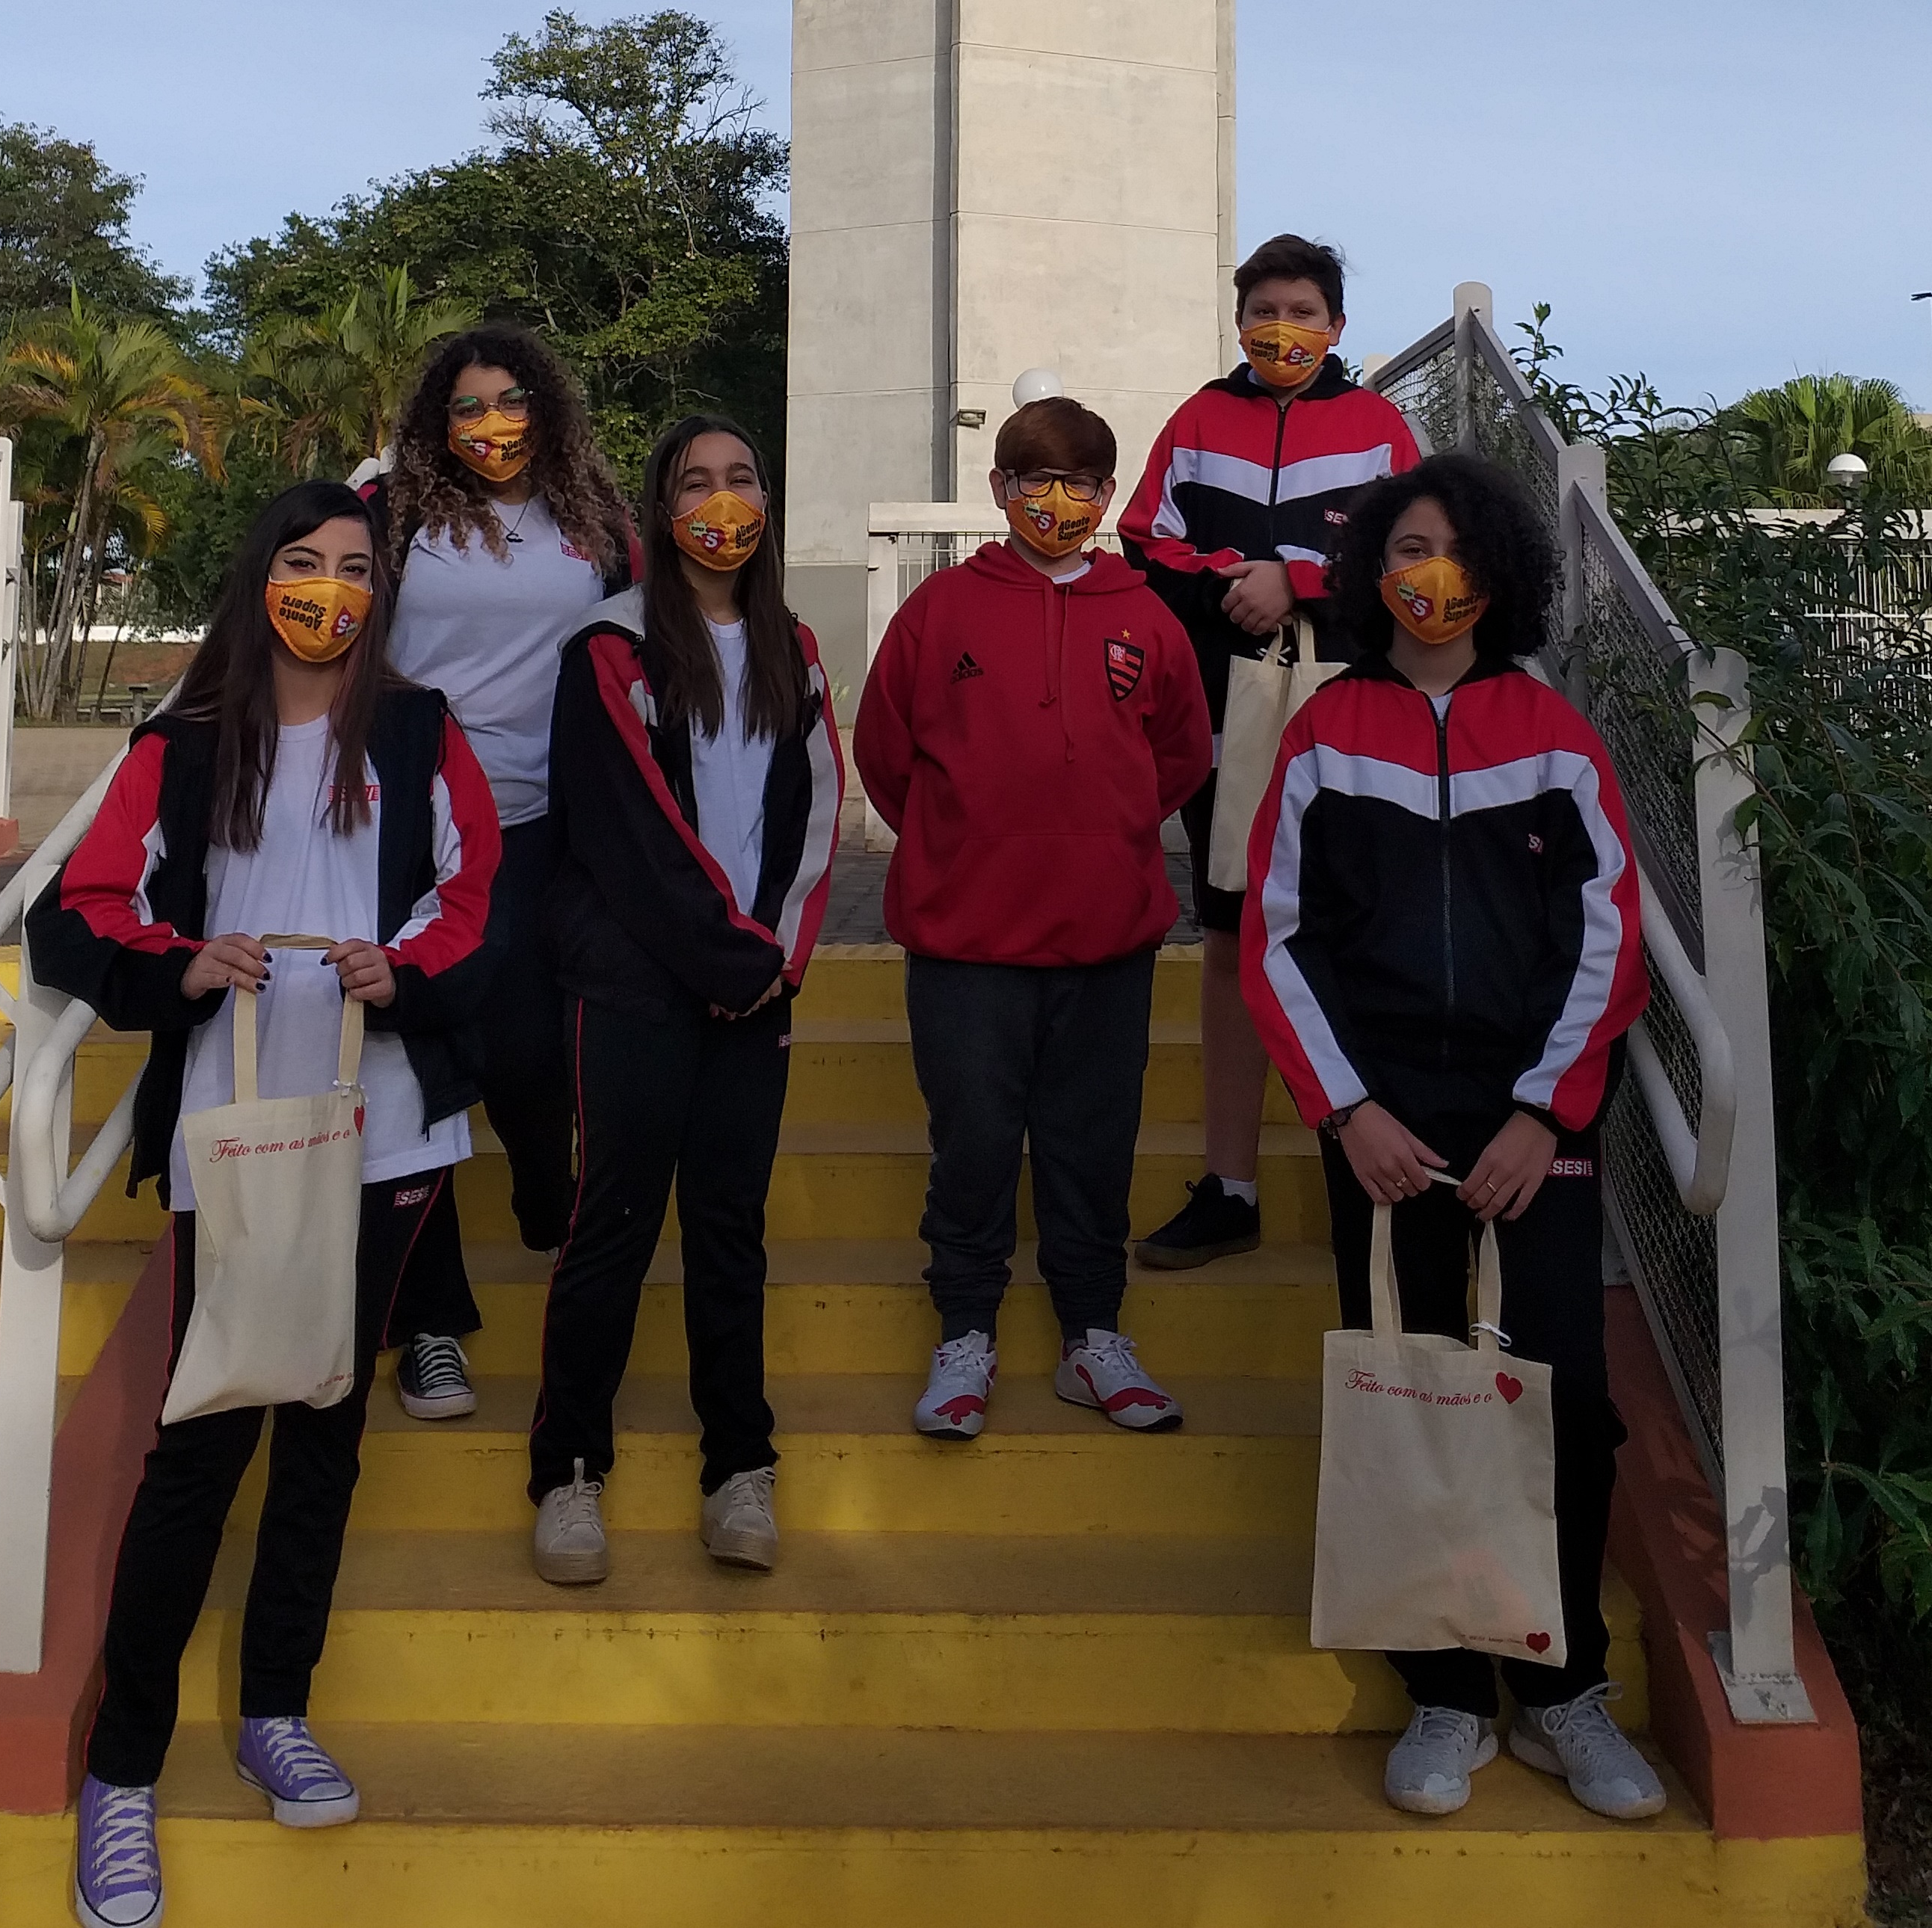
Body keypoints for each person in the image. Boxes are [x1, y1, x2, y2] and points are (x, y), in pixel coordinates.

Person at [30, 481, 501, 1928]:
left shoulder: (419, 733)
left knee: (326, 1432)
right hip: (232, 1136)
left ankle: (275, 1710)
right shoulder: (180, 743)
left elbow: (479, 899)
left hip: (382, 1131)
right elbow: (81, 910)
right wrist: (177, 965)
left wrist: (404, 969)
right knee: (202, 1444)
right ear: (262, 578)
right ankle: (123, 1769)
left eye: (356, 567)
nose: (329, 589)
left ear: (379, 596)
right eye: (304, 562)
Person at [1240, 452, 1664, 1823]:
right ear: (1372, 574)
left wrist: (1543, 1114)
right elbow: (1277, 939)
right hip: (1378, 1124)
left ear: (1500, 573)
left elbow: (1608, 942)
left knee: (1565, 1399)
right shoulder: (1324, 733)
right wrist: (1345, 1109)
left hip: (1532, 1123)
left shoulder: (1554, 736)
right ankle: (1443, 1693)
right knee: (1412, 1393)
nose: (1434, 575)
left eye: (1458, 550)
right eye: (1407, 549)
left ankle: (1563, 1691)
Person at [855, 396, 1213, 1441]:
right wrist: (964, 843)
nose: (1058, 500)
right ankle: (965, 1331)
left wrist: (1100, 834)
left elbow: (1182, 754)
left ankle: (1092, 1334)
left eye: (1081, 483)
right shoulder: (939, 611)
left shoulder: (1147, 617)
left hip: (1108, 941)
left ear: (1108, 495)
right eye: (1036, 480)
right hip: (965, 945)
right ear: (1001, 488)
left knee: (1092, 1144)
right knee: (972, 1142)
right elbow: (885, 752)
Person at [526, 414, 841, 1585]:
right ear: (662, 512)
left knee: (728, 1232)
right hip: (635, 990)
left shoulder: (794, 649)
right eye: (697, 482)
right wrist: (725, 961)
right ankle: (569, 1472)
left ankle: (739, 1467)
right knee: (610, 1227)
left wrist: (774, 963)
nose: (722, 500)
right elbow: (630, 833)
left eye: (741, 478)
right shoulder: (608, 647)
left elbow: (818, 810)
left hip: (754, 995)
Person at [1119, 234, 1422, 1269]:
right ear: (1240, 319)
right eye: (1264, 311)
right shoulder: (1199, 420)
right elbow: (1146, 540)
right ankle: (1232, 1185)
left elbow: (1411, 560)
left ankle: (1381, 1171)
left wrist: (1301, 581)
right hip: (1226, 715)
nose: (1282, 329)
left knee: (1354, 931)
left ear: (1336, 328)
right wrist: (1230, 585)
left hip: (1352, 721)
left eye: (1303, 312)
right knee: (1231, 935)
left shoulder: (1379, 428)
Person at [374, 323, 637, 1423]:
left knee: (528, 1040)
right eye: (469, 407)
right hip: (407, 824)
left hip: (541, 825)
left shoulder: (594, 522)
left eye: (513, 400)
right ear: (439, 423)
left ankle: (546, 1190)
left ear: (548, 408)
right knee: (414, 1060)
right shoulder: (392, 516)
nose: (493, 425)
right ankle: (431, 1324)